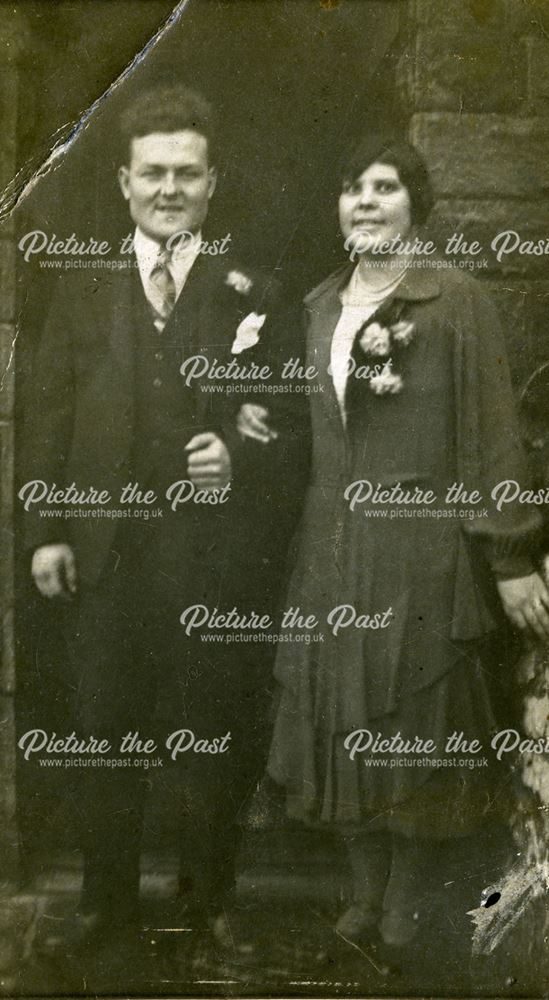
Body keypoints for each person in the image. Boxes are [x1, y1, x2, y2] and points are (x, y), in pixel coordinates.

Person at [238, 136, 549, 950]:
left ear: (417, 203)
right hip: (331, 548)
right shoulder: (315, 307)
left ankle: (407, 900)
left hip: (419, 552)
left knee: (410, 711)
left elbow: (493, 435)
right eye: (353, 189)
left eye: (385, 187)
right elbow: (295, 436)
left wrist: (511, 556)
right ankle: (363, 891)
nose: (366, 202)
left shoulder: (455, 303)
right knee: (337, 715)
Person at [21, 84, 305, 952]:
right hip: (105, 554)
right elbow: (47, 419)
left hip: (208, 557)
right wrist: (47, 531)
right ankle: (107, 902)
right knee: (103, 729)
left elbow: (291, 425)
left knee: (208, 729)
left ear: (212, 183)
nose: (169, 188)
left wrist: (240, 456)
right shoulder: (78, 291)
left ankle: (208, 900)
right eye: (153, 173)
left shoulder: (253, 290)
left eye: (187, 173)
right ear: (123, 182)